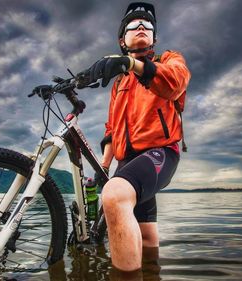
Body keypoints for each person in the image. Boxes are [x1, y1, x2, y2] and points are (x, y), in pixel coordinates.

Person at [80, 2, 191, 272]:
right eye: (134, 25)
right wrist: (104, 167)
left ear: (154, 38)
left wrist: (132, 63)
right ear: (122, 39)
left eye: (147, 26)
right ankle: (152, 274)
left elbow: (175, 82)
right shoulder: (118, 83)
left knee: (115, 196)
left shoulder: (168, 60)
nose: (141, 27)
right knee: (147, 233)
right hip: (126, 160)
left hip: (160, 152)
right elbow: (112, 129)